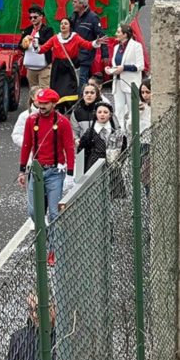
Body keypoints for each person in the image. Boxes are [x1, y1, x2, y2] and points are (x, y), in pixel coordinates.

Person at [17, 88, 75, 223]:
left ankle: (54, 237)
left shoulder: (63, 122)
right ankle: (45, 234)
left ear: (54, 104)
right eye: (40, 102)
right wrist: (22, 170)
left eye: (45, 103)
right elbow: (26, 145)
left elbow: (69, 148)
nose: (41, 106)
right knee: (34, 212)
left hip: (55, 172)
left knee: (54, 213)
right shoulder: (31, 120)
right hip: (36, 171)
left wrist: (70, 174)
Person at [36, 19, 98, 108]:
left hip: (70, 68)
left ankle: (70, 110)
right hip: (58, 68)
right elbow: (42, 49)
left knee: (70, 91)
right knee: (58, 91)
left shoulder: (75, 37)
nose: (63, 25)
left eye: (65, 23)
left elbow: (87, 45)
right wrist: (35, 45)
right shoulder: (55, 38)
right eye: (61, 23)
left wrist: (96, 42)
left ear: (70, 26)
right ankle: (59, 110)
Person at [77, 100, 127, 200]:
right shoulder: (90, 132)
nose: (102, 115)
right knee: (95, 195)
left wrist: (118, 161)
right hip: (93, 164)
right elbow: (82, 149)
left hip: (112, 165)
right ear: (95, 114)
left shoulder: (116, 133)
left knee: (113, 195)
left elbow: (124, 149)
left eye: (105, 112)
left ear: (110, 114)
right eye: (99, 112)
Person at [1, 293, 57, 360]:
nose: (34, 315)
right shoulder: (19, 339)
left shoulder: (64, 335)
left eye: (38, 309)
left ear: (53, 308)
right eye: (31, 310)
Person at [106, 23, 145, 130]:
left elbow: (140, 66)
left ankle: (133, 131)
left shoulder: (136, 46)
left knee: (133, 109)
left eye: (118, 32)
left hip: (130, 83)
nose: (116, 34)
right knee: (118, 110)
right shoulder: (116, 47)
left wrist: (124, 68)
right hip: (117, 82)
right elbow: (117, 65)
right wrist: (110, 69)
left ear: (125, 34)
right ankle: (121, 133)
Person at [69, 0, 103, 87]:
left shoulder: (93, 17)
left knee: (82, 78)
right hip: (74, 54)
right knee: (75, 78)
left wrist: (105, 55)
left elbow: (101, 35)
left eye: (75, 2)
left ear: (82, 4)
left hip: (86, 54)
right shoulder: (73, 16)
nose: (73, 4)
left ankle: (82, 96)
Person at [21, 6, 55, 90]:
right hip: (30, 68)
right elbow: (20, 46)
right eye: (31, 17)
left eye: (35, 17)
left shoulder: (48, 30)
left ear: (41, 17)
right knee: (33, 92)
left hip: (44, 67)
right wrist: (23, 44)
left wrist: (33, 38)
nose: (32, 19)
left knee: (44, 91)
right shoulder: (27, 30)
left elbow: (47, 41)